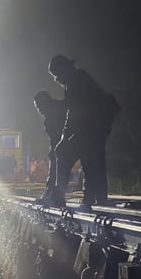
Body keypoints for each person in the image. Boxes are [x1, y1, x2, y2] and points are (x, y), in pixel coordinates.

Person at [48, 55, 120, 208]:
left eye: (56, 75)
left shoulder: (76, 82)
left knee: (66, 154)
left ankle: (60, 195)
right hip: (96, 125)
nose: (56, 79)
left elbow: (74, 112)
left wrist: (64, 139)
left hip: (95, 125)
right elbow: (74, 111)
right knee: (93, 160)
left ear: (63, 69)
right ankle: (95, 197)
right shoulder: (77, 78)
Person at [33, 91, 68, 205]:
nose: (38, 109)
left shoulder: (54, 114)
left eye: (38, 105)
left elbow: (57, 135)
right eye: (36, 106)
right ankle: (54, 195)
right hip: (65, 143)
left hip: (67, 143)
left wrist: (55, 149)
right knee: (58, 169)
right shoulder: (52, 114)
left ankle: (53, 196)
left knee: (57, 169)